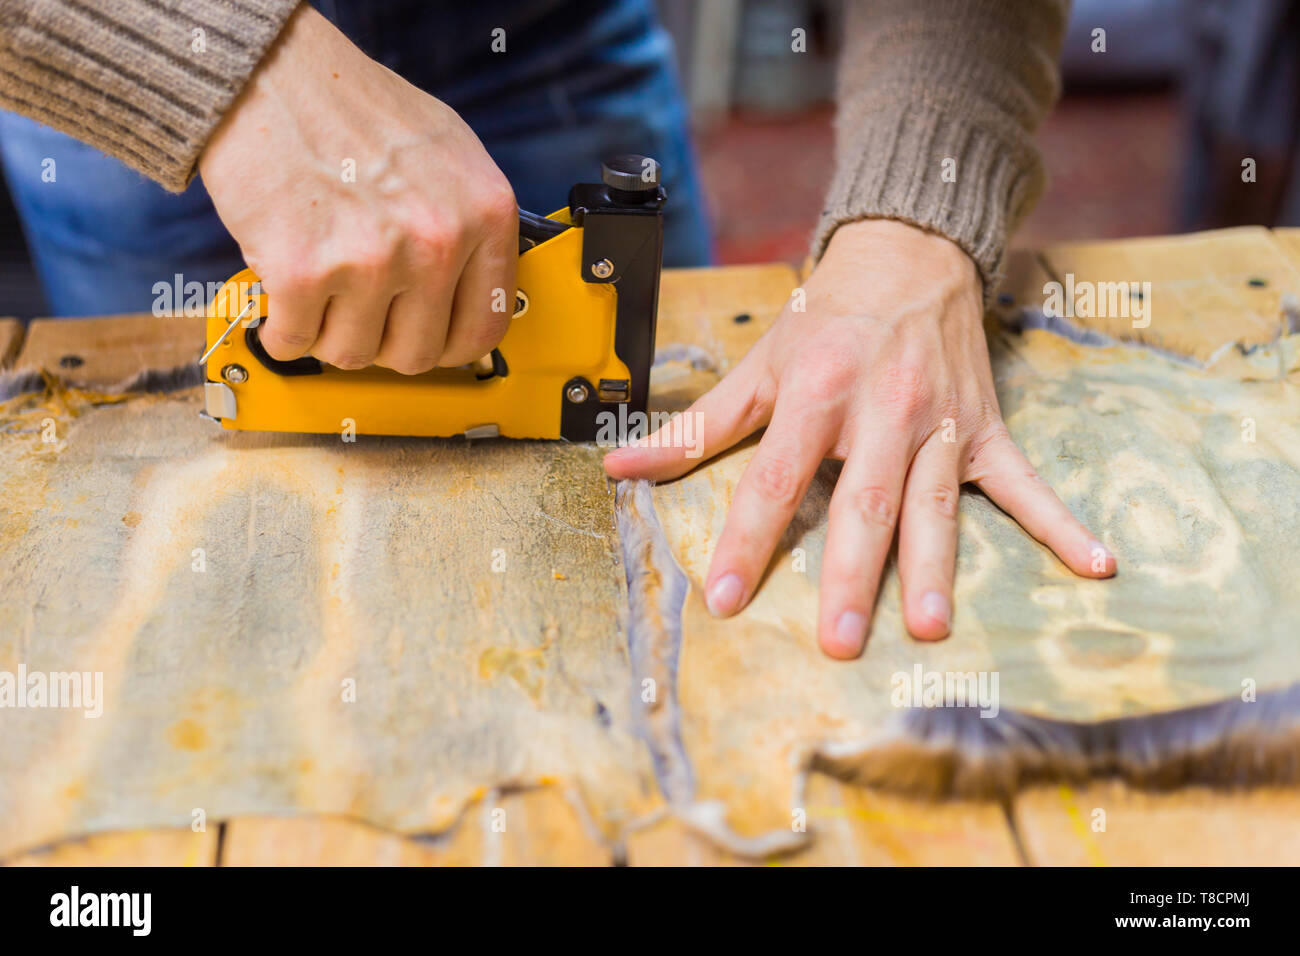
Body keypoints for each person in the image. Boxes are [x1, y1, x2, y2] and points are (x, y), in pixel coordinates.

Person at [0, 0, 1115, 659]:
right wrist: (218, 58)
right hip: (140, 67)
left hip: (542, 34)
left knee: (646, 549)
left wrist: (913, 215)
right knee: (222, 611)